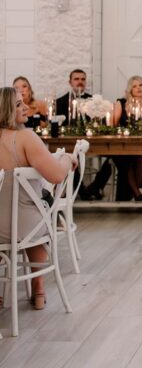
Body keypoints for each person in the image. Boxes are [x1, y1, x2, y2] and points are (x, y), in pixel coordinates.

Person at [0, 87, 75, 309]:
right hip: (25, 226)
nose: (26, 107)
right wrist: (66, 158)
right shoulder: (24, 137)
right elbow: (57, 174)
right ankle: (39, 289)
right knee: (38, 214)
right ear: (5, 110)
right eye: (18, 105)